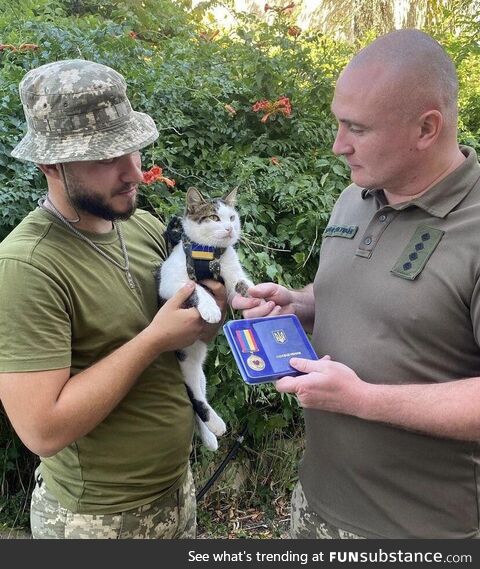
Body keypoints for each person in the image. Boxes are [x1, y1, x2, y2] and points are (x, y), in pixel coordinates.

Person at [233, 29, 480, 539]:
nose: (337, 145)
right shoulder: (356, 195)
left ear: (427, 128)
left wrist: (364, 399)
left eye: (357, 128)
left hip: (421, 533)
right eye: (337, 123)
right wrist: (300, 303)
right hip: (314, 506)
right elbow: (373, 298)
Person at [0, 59, 226, 539]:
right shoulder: (26, 266)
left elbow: (187, 336)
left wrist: (209, 312)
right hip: (97, 521)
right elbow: (42, 430)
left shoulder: (142, 226)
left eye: (134, 151)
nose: (135, 175)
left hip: (177, 491)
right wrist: (152, 340)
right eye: (106, 158)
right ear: (49, 164)